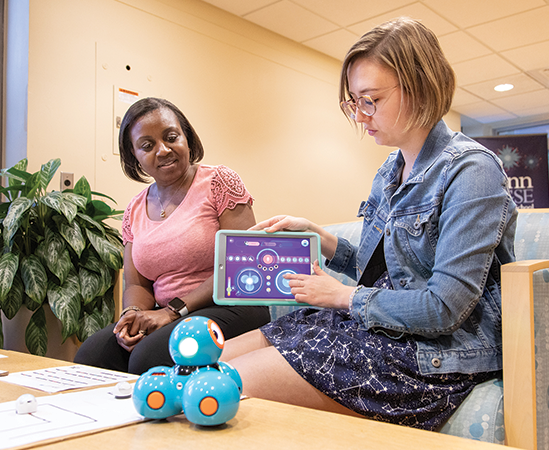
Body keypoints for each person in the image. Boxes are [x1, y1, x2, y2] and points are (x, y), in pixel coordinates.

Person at [220, 17, 518, 430]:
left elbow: (444, 307)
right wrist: (321, 238)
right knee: (205, 363)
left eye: (371, 100)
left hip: (430, 354)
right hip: (378, 330)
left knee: (218, 388)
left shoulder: (473, 171)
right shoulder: (390, 170)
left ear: (420, 86)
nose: (361, 116)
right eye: (354, 102)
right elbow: (389, 271)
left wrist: (342, 296)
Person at [74, 98, 270, 374]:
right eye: (147, 145)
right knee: (92, 356)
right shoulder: (134, 209)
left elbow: (242, 264)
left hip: (232, 305)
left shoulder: (219, 182)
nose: (163, 150)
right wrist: (133, 315)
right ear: (134, 157)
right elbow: (136, 284)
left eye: (171, 137)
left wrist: (172, 312)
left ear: (187, 139)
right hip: (170, 313)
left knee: (148, 358)